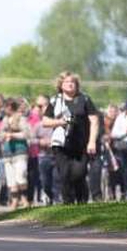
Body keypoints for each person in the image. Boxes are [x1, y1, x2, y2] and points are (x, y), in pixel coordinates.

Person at [42, 72, 99, 205]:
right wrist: (60, 122)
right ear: (61, 85)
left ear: (77, 85)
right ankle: (68, 203)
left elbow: (94, 121)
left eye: (73, 82)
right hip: (60, 144)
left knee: (79, 173)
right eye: (67, 82)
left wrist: (91, 141)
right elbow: (45, 121)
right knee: (64, 174)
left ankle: (81, 200)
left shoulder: (84, 99)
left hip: (81, 143)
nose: (70, 84)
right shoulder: (55, 100)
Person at [0, 98, 32, 209]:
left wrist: (13, 135)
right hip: (8, 152)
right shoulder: (5, 120)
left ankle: (24, 199)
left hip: (20, 151)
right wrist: (4, 135)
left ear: (9, 107)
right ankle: (14, 200)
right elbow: (1, 133)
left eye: (5, 107)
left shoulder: (21, 119)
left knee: (20, 175)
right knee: (11, 178)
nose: (4, 110)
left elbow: (26, 134)